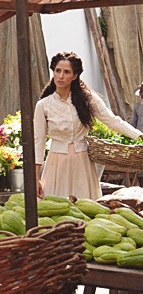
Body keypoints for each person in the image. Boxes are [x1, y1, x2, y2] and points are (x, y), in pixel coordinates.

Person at [34, 51, 143, 200]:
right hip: (56, 165)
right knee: (56, 209)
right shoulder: (43, 105)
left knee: (86, 208)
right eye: (58, 71)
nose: (60, 76)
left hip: (83, 164)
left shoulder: (88, 99)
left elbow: (112, 121)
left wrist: (139, 136)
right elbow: (38, 141)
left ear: (75, 75)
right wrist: (35, 177)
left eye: (67, 72)